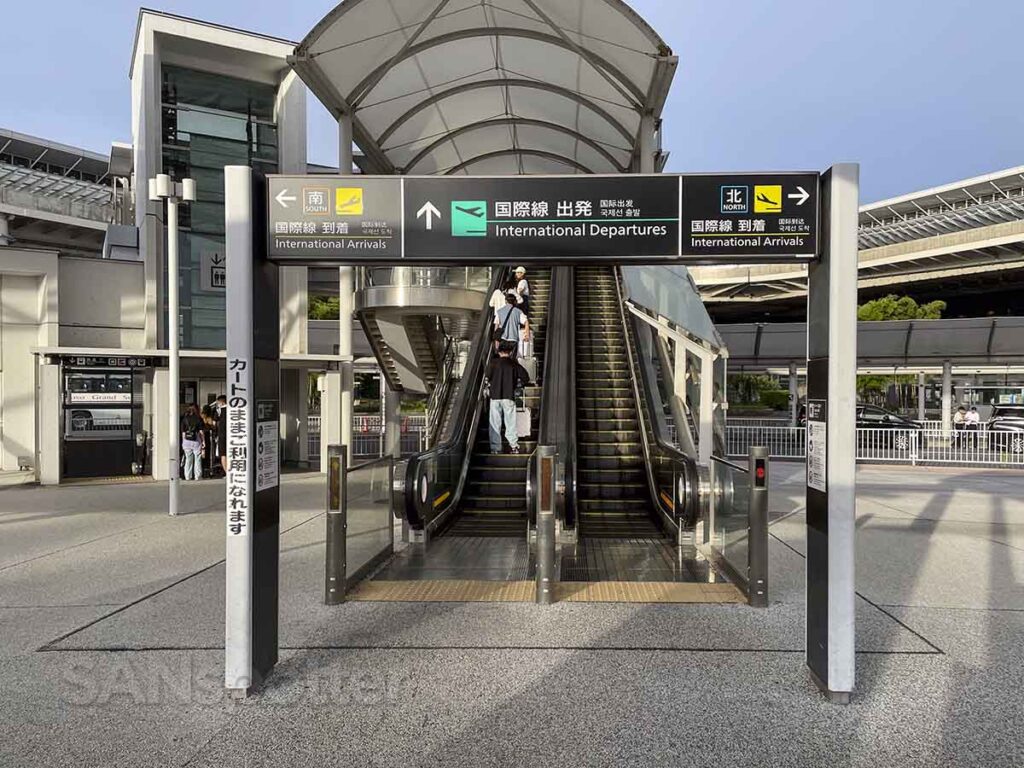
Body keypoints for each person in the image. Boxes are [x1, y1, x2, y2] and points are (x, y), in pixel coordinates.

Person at [484, 340, 531, 454]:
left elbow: (487, 377)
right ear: (510, 352)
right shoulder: (513, 364)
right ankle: (513, 446)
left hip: (495, 397)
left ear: (499, 352)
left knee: (495, 423)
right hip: (509, 396)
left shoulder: (493, 363)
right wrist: (518, 384)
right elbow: (526, 378)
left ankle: (495, 448)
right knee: (510, 423)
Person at [494, 291, 529, 358]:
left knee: (503, 359)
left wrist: (496, 341)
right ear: (514, 301)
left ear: (506, 301)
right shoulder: (518, 312)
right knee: (511, 360)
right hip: (513, 340)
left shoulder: (499, 311)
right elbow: (526, 321)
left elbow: (496, 326)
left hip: (502, 339)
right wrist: (527, 334)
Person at [180, 404, 205, 481]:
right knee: (197, 459)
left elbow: (183, 432)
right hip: (196, 441)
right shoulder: (198, 419)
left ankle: (188, 476)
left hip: (186, 441)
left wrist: (183, 442)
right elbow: (201, 432)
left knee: (188, 459)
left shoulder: (184, 420)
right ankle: (198, 476)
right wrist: (203, 441)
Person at [215, 394, 228, 474]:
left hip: (222, 435)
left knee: (223, 455)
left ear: (221, 402)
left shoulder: (219, 411)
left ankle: (227, 472)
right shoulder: (233, 410)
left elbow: (214, 423)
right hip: (231, 435)